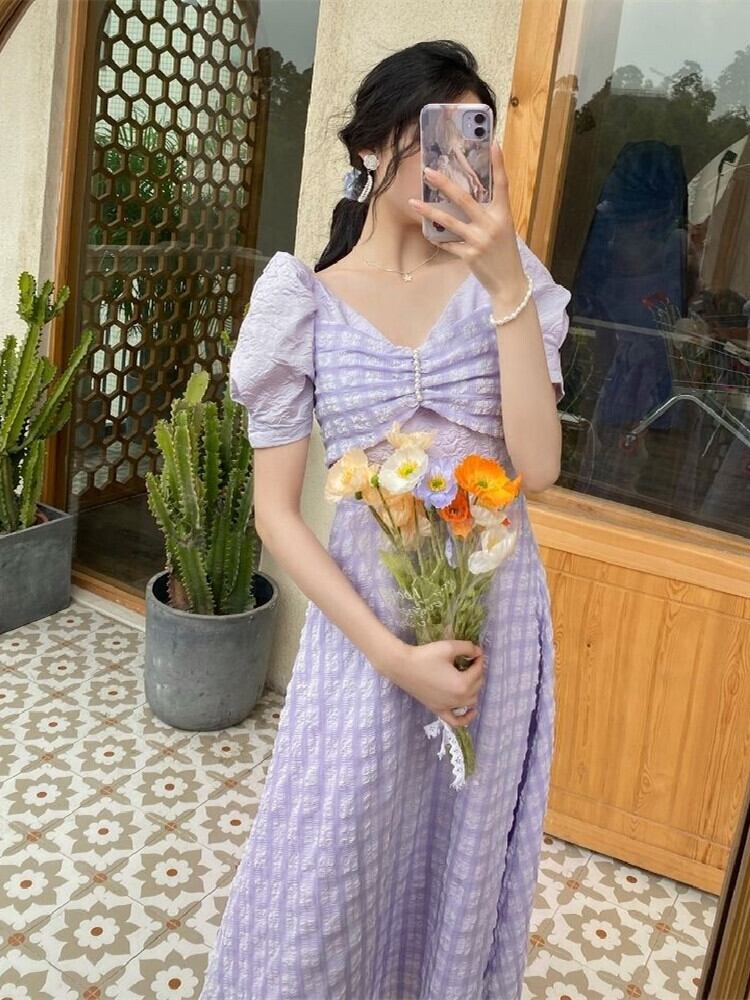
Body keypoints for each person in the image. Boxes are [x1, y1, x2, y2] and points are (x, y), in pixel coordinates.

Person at [199, 39, 570, 1000]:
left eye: (472, 135)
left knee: (457, 867)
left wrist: (504, 285)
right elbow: (275, 515)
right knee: (331, 871)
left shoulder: (508, 282)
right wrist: (392, 657)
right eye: (432, 131)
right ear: (371, 146)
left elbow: (538, 468)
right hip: (364, 637)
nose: (456, 157)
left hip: (494, 632)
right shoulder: (304, 301)